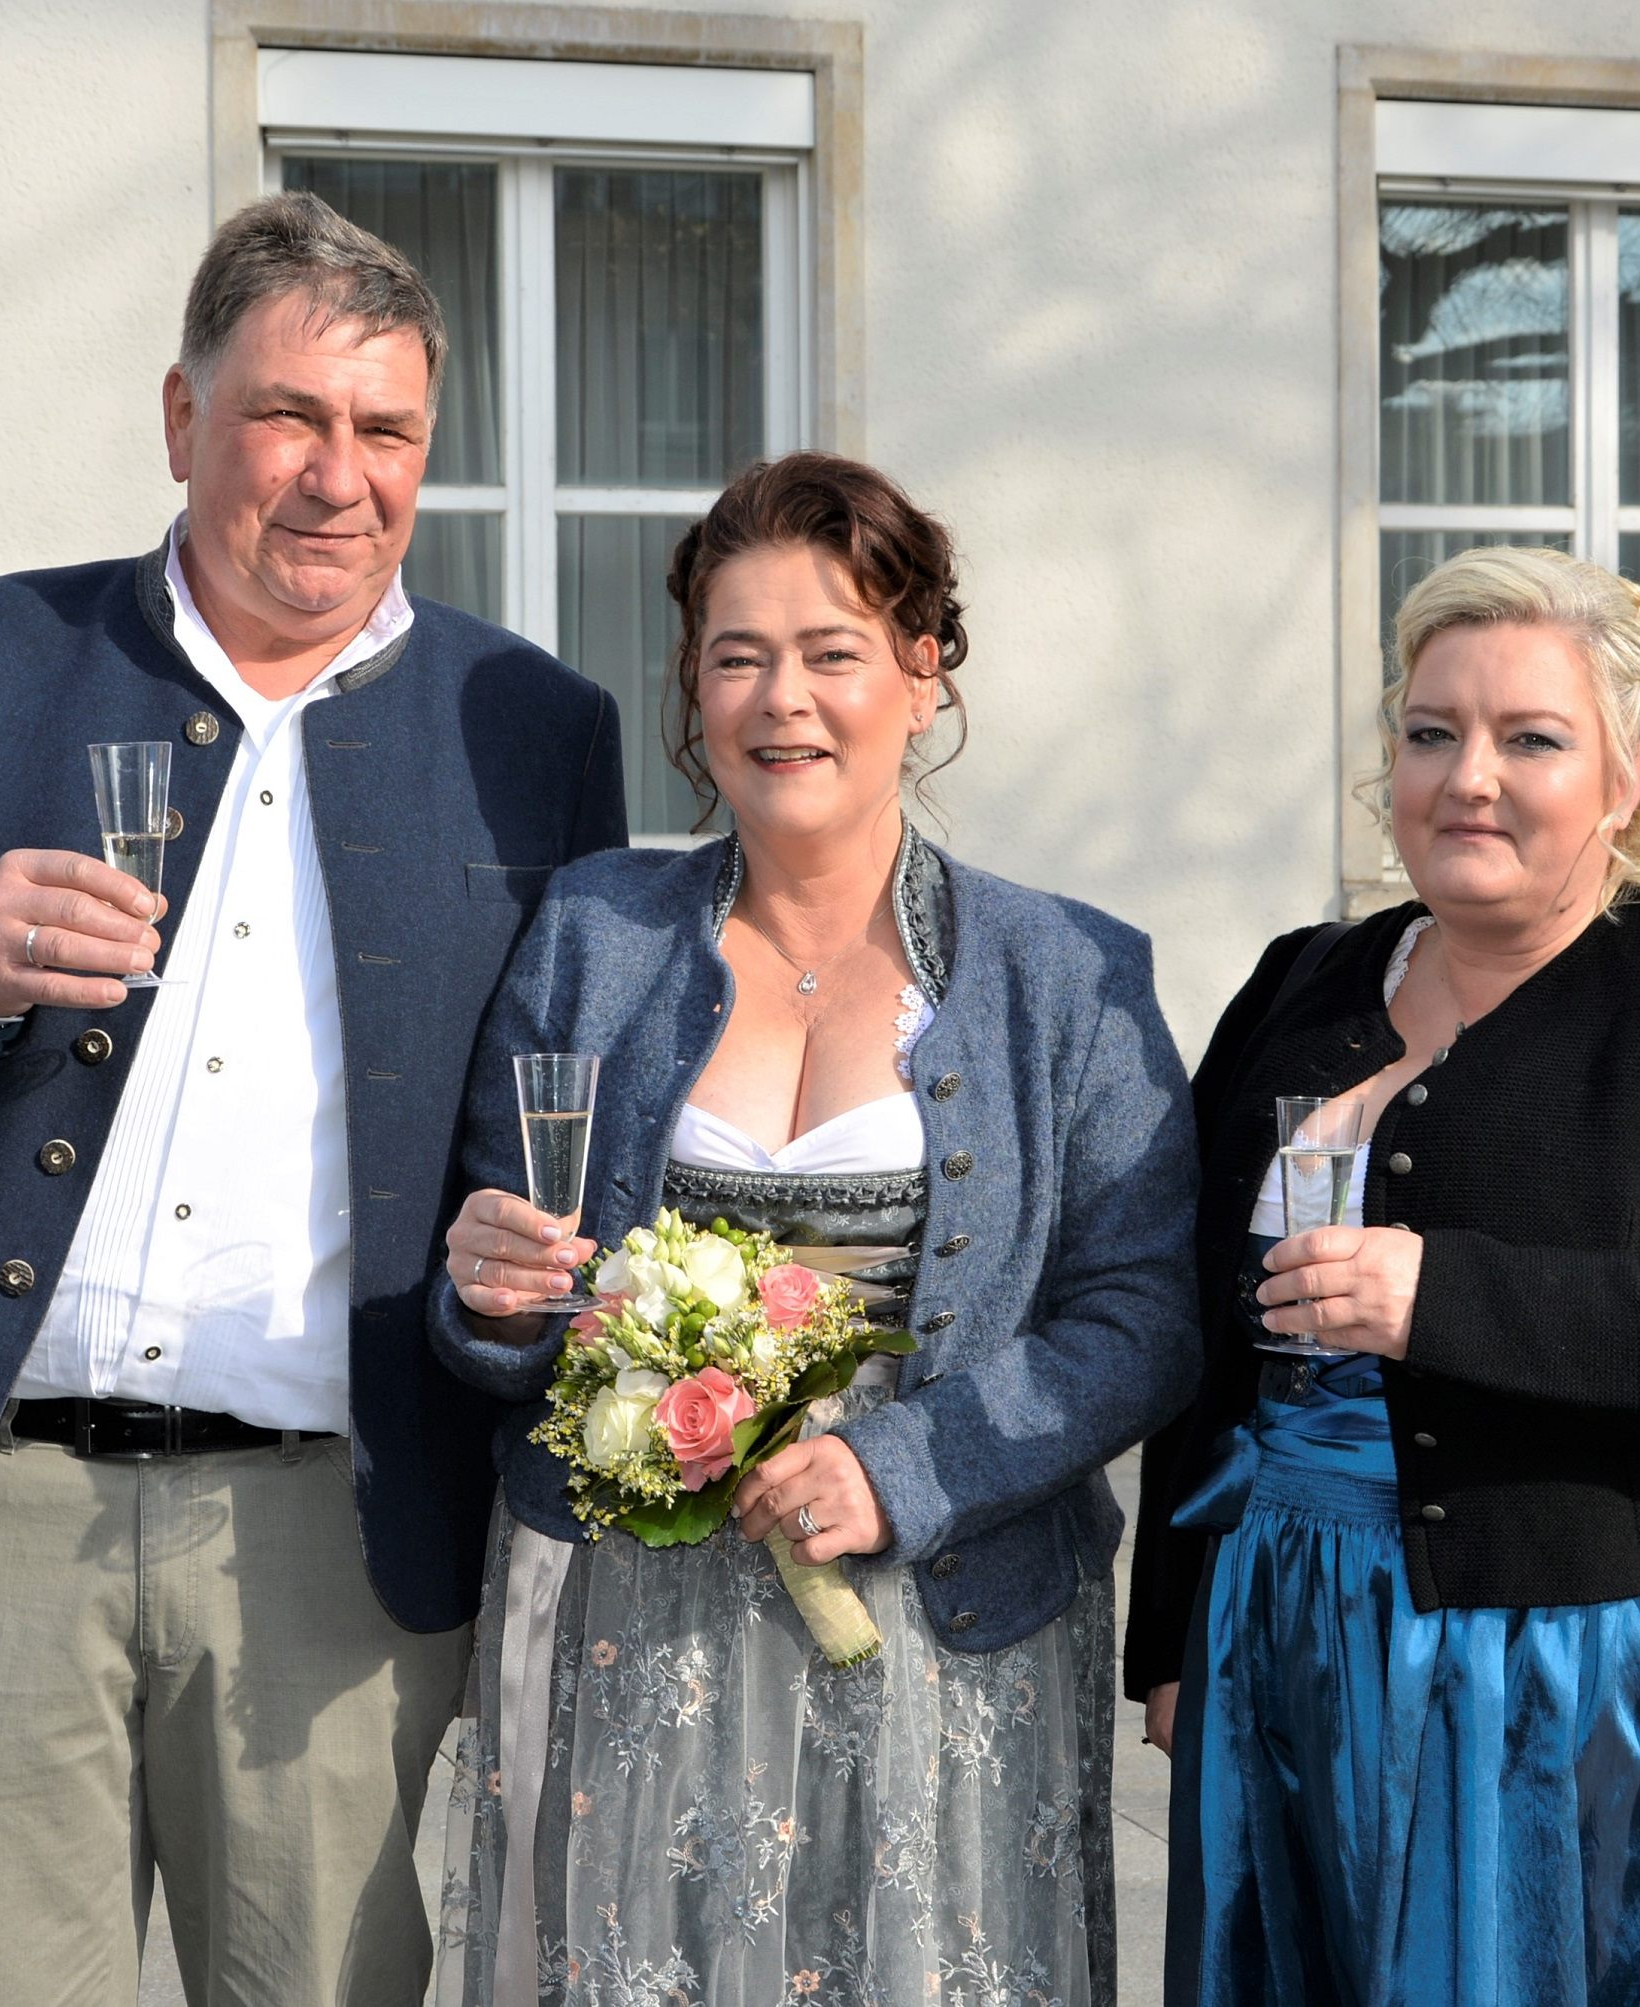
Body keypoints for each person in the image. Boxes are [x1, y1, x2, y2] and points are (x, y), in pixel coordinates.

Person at [0, 190, 625, 2006]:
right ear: (180, 416)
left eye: (386, 433)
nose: (335, 476)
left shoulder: (531, 723)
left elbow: (559, 1085)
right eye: (289, 415)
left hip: (337, 1533)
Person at [427, 452, 1200, 2006]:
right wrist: (495, 1295)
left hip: (940, 1618)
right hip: (625, 1616)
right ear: (692, 691)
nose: (782, 700)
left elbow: (1143, 1318)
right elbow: (503, 1266)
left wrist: (900, 1468)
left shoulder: (1065, 974)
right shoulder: (592, 933)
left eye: (832, 650)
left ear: (923, 676)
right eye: (737, 655)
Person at [1127, 545, 1640, 2007]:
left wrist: (1440, 1300)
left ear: (1624, 778)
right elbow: (1201, 1346)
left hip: (1586, 1669)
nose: (1466, 776)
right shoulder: (1302, 984)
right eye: (1431, 733)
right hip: (1286, 1638)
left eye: (1528, 739)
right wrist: (1171, 1634)